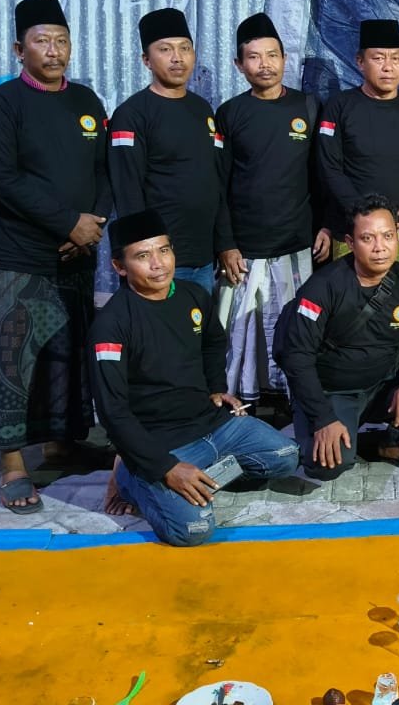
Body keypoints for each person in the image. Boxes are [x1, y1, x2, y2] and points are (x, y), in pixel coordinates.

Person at [0, 0, 111, 514]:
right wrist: (68, 222)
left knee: (66, 352)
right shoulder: (0, 105)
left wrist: (93, 223)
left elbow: (105, 170)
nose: (54, 51)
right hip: (19, 254)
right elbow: (3, 181)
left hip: (77, 253)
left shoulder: (87, 102)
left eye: (61, 41)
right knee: (15, 356)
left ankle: (61, 444)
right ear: (19, 49)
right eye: (42, 41)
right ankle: (12, 464)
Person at [90, 210, 299, 547]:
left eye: (164, 250)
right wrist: (166, 468)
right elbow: (112, 412)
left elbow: (213, 341)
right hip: (163, 443)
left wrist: (216, 388)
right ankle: (132, 476)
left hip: (211, 423)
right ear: (119, 266)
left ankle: (202, 473)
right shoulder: (111, 325)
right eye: (142, 256)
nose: (158, 264)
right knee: (193, 530)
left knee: (286, 456)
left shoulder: (193, 295)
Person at [278, 194, 399, 480]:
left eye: (388, 236)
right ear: (350, 242)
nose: (380, 247)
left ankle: (394, 441)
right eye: (367, 238)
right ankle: (324, 427)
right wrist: (323, 418)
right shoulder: (322, 286)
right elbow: (297, 357)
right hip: (333, 392)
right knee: (325, 466)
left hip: (382, 384)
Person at [214, 12, 329, 401]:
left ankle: (288, 404)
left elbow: (321, 175)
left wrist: (326, 225)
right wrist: (225, 243)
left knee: (294, 328)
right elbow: (218, 185)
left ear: (284, 58)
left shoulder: (308, 107)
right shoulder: (230, 114)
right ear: (239, 64)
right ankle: (240, 403)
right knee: (240, 333)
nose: (265, 64)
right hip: (244, 248)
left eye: (272, 55)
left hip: (296, 244)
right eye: (254, 57)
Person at [108, 7, 226, 293]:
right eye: (165, 49)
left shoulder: (202, 109)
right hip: (160, 264)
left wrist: (224, 244)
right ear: (146, 60)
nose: (177, 57)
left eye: (185, 48)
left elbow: (215, 179)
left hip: (204, 258)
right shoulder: (131, 114)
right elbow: (127, 193)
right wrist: (147, 259)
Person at [318, 19, 399, 269]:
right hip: (352, 231)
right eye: (378, 58)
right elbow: (330, 168)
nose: (388, 67)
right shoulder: (339, 107)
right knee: (350, 294)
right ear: (360, 61)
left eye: (396, 59)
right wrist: (363, 215)